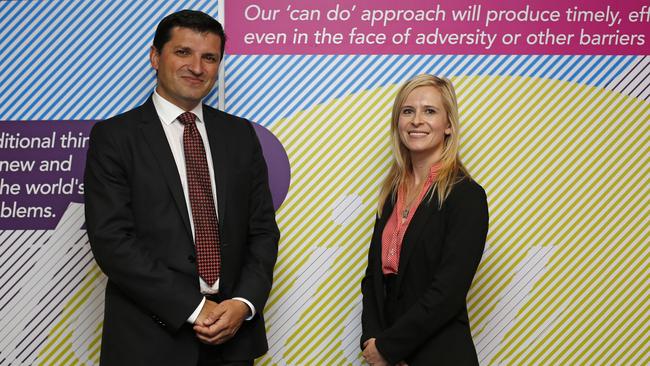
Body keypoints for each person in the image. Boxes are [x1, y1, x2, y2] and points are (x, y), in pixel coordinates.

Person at [84, 10, 279, 366]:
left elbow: (263, 231)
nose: (198, 67)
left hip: (232, 341)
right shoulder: (114, 138)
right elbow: (111, 240)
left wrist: (243, 304)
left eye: (210, 57)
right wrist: (194, 307)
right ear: (155, 57)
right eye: (183, 52)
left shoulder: (241, 136)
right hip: (148, 343)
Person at [360, 74, 489, 365]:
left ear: (449, 125)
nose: (417, 120)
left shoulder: (466, 196)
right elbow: (373, 280)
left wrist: (390, 348)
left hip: (439, 355)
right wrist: (372, 342)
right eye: (408, 111)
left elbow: (448, 292)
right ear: (398, 122)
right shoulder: (391, 194)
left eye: (429, 111)